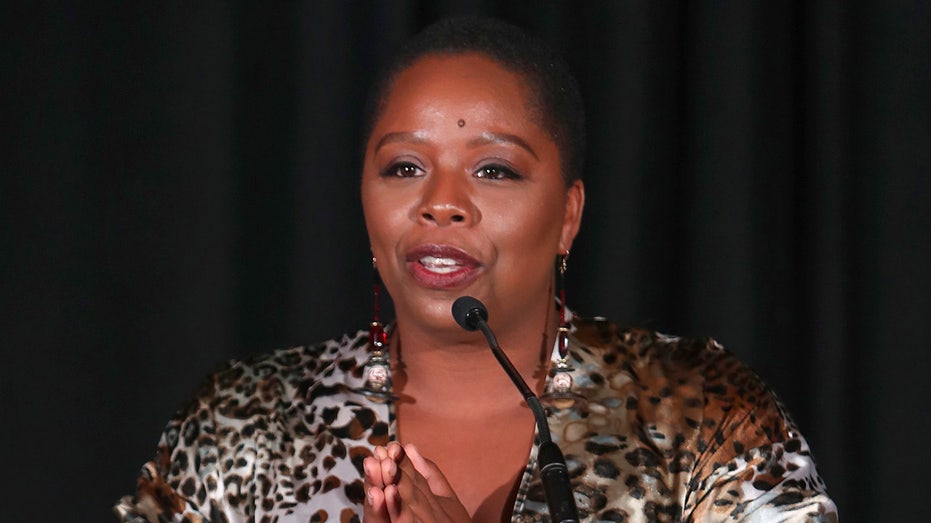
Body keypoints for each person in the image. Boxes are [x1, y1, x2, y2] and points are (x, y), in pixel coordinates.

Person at [115, 16, 837, 522]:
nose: (440, 204)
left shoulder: (697, 410)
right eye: (404, 167)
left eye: (492, 170)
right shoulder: (243, 423)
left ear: (567, 215)